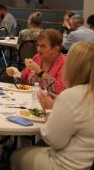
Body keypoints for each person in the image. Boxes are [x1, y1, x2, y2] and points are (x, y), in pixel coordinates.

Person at [11, 42, 94, 170]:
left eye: (43, 46)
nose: (39, 49)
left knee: (15, 155)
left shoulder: (72, 95)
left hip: (65, 165)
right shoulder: (86, 92)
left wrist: (49, 109)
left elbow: (53, 140)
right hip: (87, 162)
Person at [6, 29, 66, 94]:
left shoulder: (64, 63)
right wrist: (15, 73)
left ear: (55, 49)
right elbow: (22, 79)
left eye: (43, 46)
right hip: (31, 99)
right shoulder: (37, 57)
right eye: (38, 45)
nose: (38, 49)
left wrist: (40, 72)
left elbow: (60, 89)